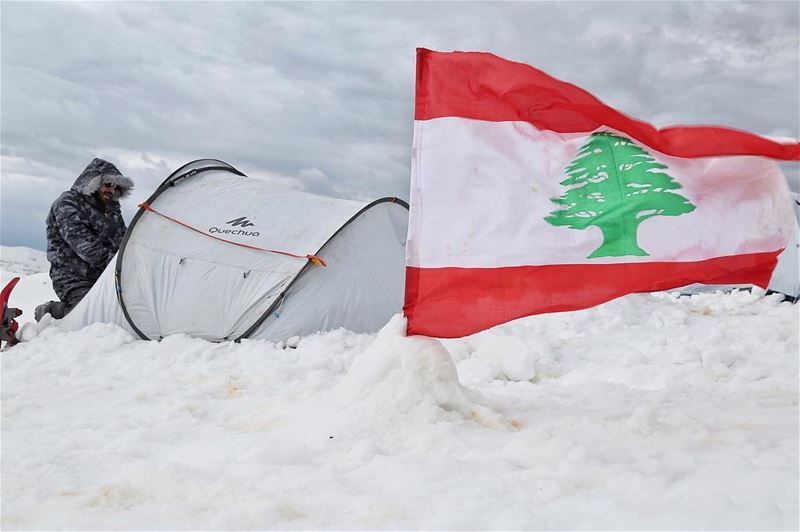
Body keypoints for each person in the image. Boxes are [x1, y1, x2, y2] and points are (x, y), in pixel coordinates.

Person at [35, 158, 133, 321]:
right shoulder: (68, 203)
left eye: (116, 186)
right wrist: (119, 264)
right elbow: (85, 246)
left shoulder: (113, 210)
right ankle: (51, 311)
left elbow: (124, 241)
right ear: (94, 181)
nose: (112, 190)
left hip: (106, 275)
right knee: (87, 316)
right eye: (108, 184)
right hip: (73, 277)